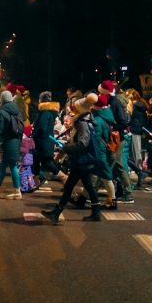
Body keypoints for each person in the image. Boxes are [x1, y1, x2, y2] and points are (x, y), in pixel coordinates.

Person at [42, 94, 102, 223]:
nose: (73, 110)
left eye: (76, 108)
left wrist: (67, 147)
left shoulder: (83, 124)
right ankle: (96, 213)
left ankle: (56, 212)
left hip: (82, 160)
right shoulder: (85, 121)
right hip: (84, 160)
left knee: (69, 186)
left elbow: (83, 143)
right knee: (89, 186)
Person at [75, 94, 118, 209]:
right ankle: (83, 198)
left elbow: (96, 138)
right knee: (91, 176)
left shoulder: (98, 120)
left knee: (105, 175)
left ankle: (112, 201)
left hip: (99, 151)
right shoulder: (105, 117)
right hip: (101, 150)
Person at [98, 80, 134, 204]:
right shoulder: (112, 102)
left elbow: (123, 123)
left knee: (106, 166)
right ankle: (128, 194)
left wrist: (112, 127)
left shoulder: (115, 103)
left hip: (116, 140)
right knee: (119, 167)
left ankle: (89, 193)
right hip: (116, 139)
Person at [32, 91, 67, 185]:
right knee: (36, 161)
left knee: (46, 163)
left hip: (43, 142)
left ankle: (64, 177)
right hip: (43, 141)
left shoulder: (45, 113)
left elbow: (42, 128)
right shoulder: (47, 112)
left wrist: (33, 136)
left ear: (41, 101)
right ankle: (35, 182)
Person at [129, 90, 149, 180]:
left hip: (135, 128)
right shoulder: (142, 104)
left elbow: (132, 117)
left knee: (136, 149)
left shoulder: (135, 106)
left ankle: (138, 168)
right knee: (138, 149)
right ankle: (138, 166)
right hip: (140, 128)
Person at [19, 126, 37, 193]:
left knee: (23, 174)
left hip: (24, 160)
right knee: (29, 173)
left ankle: (24, 188)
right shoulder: (31, 140)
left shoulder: (24, 141)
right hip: (30, 159)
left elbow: (25, 150)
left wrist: (18, 148)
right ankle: (32, 186)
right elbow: (33, 147)